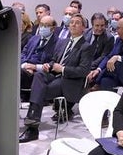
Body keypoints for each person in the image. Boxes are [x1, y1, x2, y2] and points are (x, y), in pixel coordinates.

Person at [19, 14, 95, 143]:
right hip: (54, 74)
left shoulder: (86, 47)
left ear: (83, 28)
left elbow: (83, 71)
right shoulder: (63, 41)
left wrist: (63, 69)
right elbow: (54, 60)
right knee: (38, 76)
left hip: (70, 80)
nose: (73, 25)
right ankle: (32, 123)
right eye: (71, 22)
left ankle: (32, 125)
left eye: (77, 23)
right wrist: (49, 65)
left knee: (41, 90)